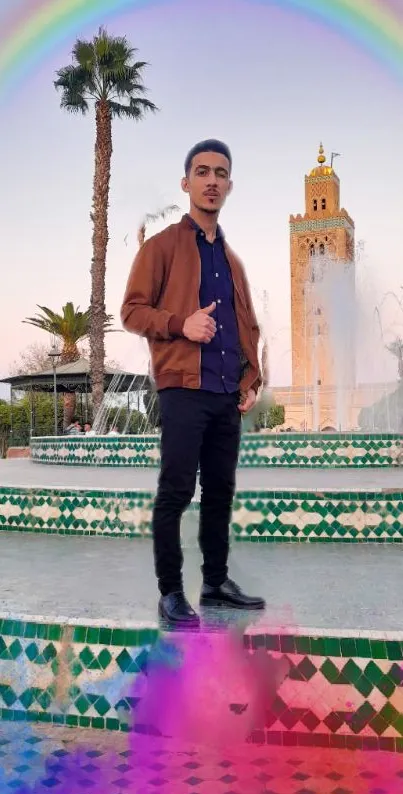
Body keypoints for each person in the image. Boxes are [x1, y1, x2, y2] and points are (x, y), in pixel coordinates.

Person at [121, 139, 266, 627]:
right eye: (201, 172)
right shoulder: (161, 247)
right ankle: (169, 592)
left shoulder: (233, 261)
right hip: (183, 388)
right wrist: (180, 324)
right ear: (186, 183)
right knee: (177, 489)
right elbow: (131, 311)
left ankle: (215, 582)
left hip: (227, 394)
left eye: (220, 173)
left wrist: (252, 378)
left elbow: (249, 328)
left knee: (221, 491)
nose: (211, 181)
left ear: (229, 185)